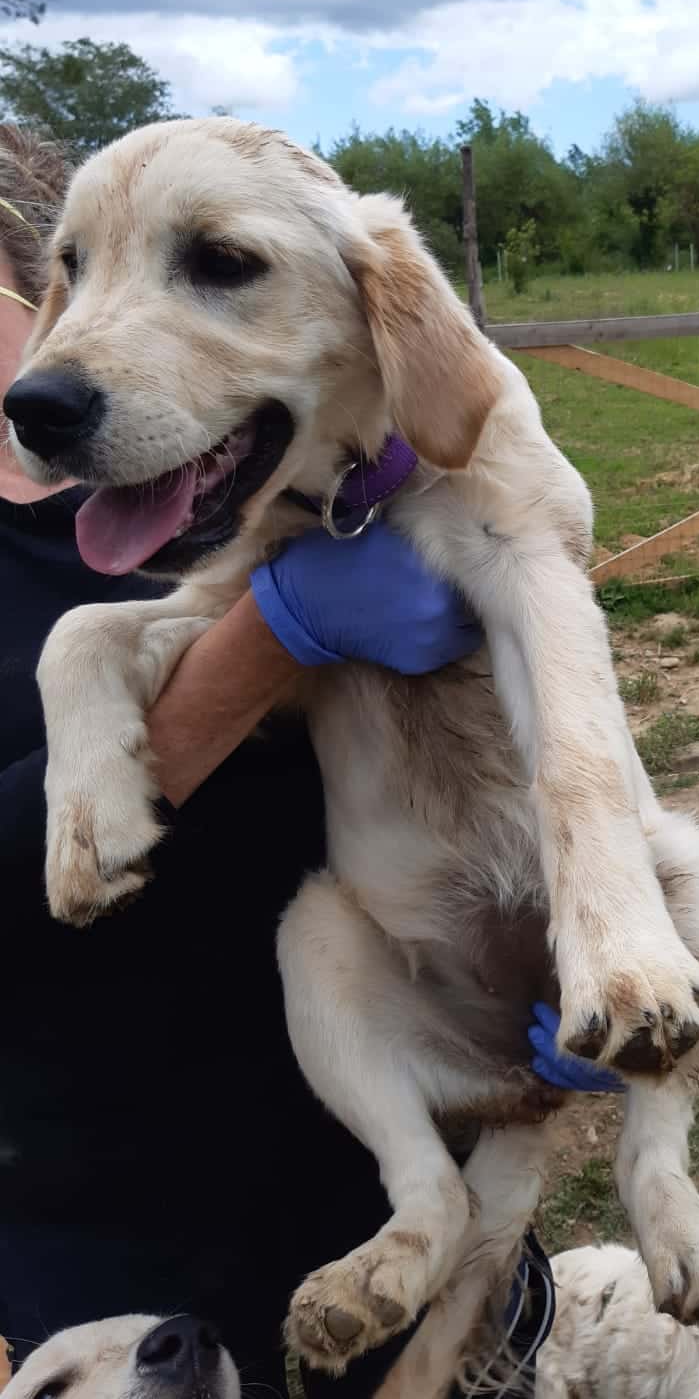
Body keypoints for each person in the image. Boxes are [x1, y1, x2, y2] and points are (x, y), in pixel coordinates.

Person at [0, 125, 615, 1395]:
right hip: (129, 1247)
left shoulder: (278, 427)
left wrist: (577, 932)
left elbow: (534, 675)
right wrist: (271, 636)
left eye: (213, 263)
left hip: (390, 1116)